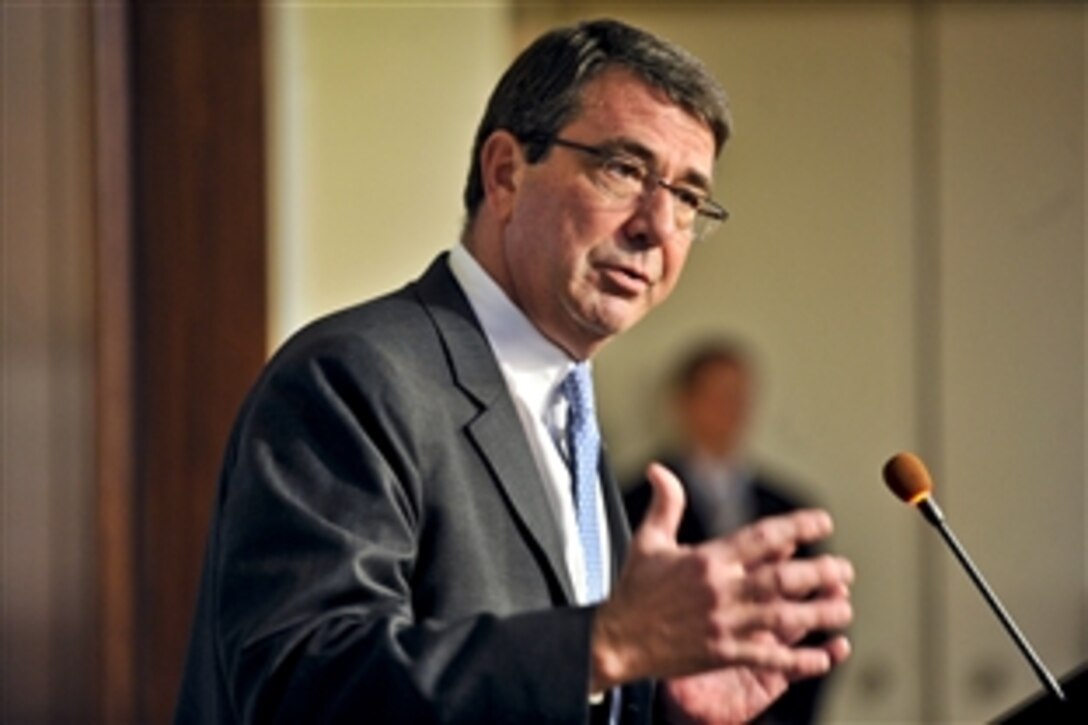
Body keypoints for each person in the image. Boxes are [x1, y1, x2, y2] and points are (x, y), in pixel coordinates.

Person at [175, 19, 854, 724]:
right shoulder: (353, 377)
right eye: (623, 169)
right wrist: (608, 643)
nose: (657, 224)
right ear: (505, 173)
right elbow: (304, 686)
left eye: (687, 197)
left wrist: (666, 707)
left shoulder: (570, 410)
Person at [624, 339, 831, 723]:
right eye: (715, 395)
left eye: (738, 396)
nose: (729, 409)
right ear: (682, 402)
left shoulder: (788, 507)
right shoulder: (634, 504)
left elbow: (816, 624)